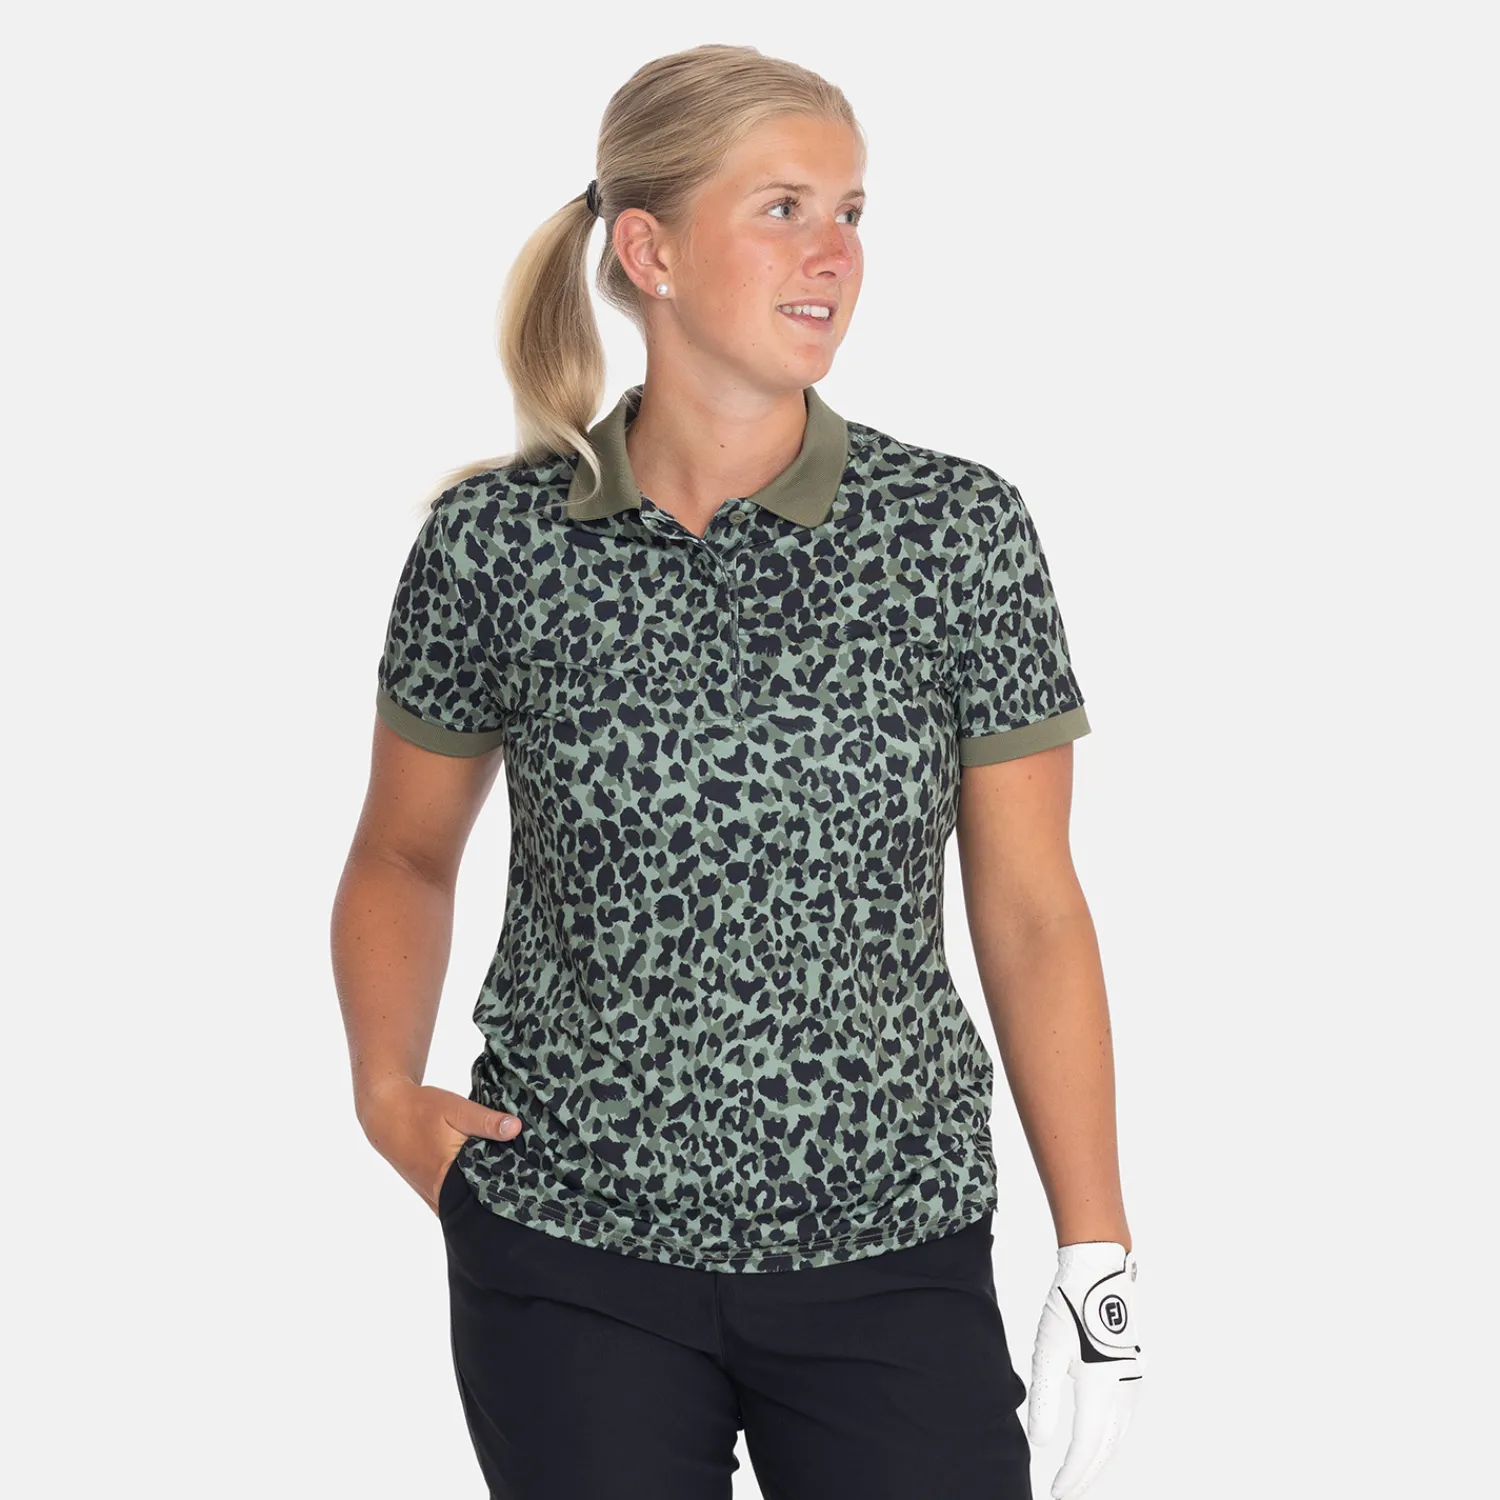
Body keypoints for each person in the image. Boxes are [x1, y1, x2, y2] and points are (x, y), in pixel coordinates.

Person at [332, 42, 1144, 1500]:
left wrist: (1098, 1252)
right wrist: (388, 1092)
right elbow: (402, 851)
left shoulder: (954, 534)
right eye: (783, 209)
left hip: (890, 1243)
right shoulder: (495, 546)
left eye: (852, 212)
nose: (836, 253)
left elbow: (1032, 910)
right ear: (648, 252)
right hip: (568, 1254)